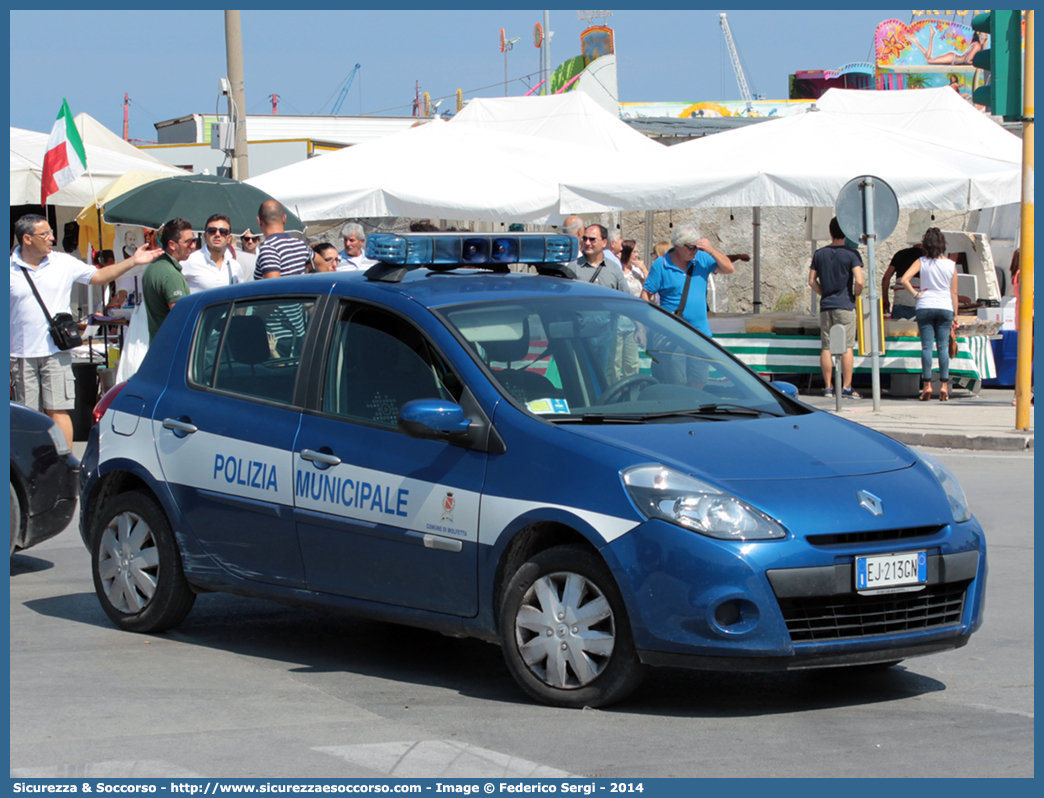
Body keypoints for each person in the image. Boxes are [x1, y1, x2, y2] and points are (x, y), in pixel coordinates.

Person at [10, 214, 162, 446]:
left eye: (52, 232)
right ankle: (31, 470)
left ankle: (65, 467)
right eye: (46, 234)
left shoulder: (62, 262)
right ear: (27, 238)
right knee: (26, 416)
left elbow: (99, 276)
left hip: (56, 350)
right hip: (20, 353)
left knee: (58, 410)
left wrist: (133, 261)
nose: (52, 237)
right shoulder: (10, 268)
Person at [900, 227, 959, 402]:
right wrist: (955, 314)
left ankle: (926, 385)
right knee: (942, 347)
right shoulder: (951, 265)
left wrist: (916, 294)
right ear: (942, 245)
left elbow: (904, 279)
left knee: (926, 347)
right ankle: (943, 386)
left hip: (925, 306)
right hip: (945, 306)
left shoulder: (922, 261)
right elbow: (954, 293)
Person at [641, 225, 733, 337]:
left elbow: (729, 268)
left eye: (697, 247)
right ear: (678, 245)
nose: (695, 251)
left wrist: (711, 250)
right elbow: (645, 295)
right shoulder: (661, 264)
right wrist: (646, 326)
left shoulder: (701, 258)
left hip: (701, 334)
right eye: (691, 247)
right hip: (672, 335)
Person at [808, 217, 864, 399]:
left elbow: (811, 281)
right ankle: (846, 387)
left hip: (826, 305)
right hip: (845, 304)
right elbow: (860, 281)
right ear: (847, 233)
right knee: (847, 346)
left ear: (830, 232)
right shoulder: (852, 254)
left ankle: (828, 387)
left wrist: (823, 292)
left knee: (826, 346)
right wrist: (855, 294)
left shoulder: (819, 254)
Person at [142, 218, 196, 342]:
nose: (193, 246)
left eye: (194, 240)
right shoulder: (171, 275)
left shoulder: (153, 266)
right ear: (172, 245)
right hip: (172, 346)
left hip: (158, 346)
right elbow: (180, 318)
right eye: (188, 242)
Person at [181, 214, 243, 294]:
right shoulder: (190, 261)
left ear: (229, 238)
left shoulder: (234, 266)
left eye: (223, 231)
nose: (217, 234)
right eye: (212, 231)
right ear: (205, 236)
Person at [254, 200, 312, 279]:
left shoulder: (269, 248)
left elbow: (273, 287)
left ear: (259, 221)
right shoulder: (300, 244)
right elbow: (323, 267)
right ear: (284, 219)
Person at [574, 224, 629, 292]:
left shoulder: (614, 268)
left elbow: (626, 295)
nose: (587, 243)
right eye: (585, 239)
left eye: (592, 239)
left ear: (604, 243)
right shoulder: (573, 267)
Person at [880, 245, 923, 320]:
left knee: (898, 330)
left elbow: (886, 278)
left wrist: (885, 299)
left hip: (900, 300)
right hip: (920, 301)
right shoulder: (928, 257)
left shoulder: (900, 254)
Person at [913, 27, 983, 65]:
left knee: (929, 59)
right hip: (953, 58)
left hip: (954, 58)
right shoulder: (977, 45)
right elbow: (968, 61)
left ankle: (916, 42)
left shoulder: (976, 44)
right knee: (928, 60)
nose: (986, 35)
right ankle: (931, 35)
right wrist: (977, 64)